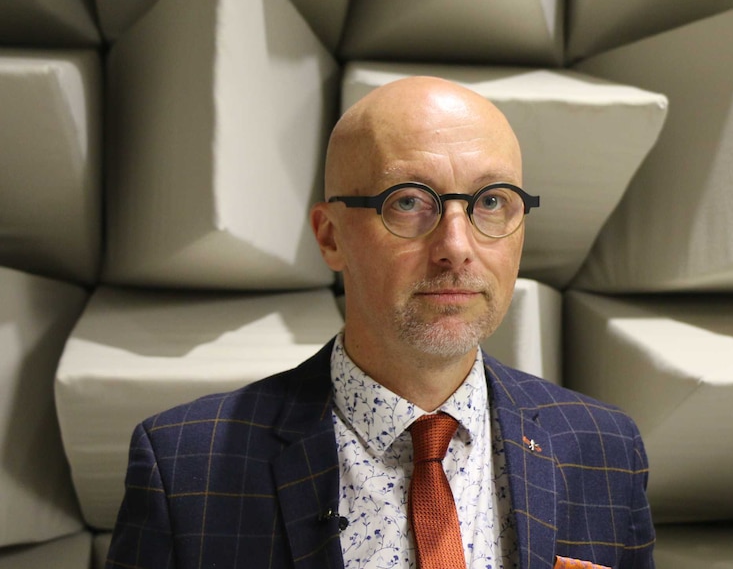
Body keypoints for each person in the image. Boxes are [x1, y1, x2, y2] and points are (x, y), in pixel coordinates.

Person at [105, 76, 655, 569]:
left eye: (491, 201)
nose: (456, 248)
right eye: (409, 201)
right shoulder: (184, 466)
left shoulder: (603, 447)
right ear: (330, 236)